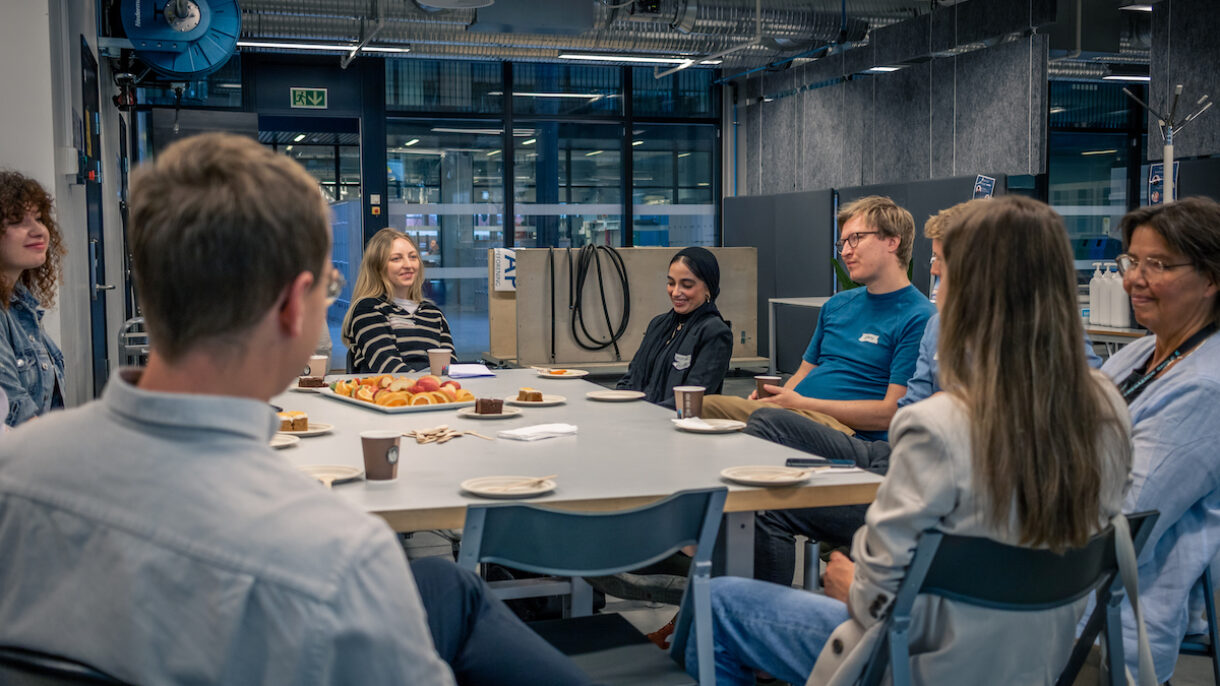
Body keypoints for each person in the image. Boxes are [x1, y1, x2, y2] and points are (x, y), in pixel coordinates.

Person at [0, 134, 591, 686]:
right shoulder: (341, 557)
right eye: (327, 287)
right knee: (451, 591)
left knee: (441, 583)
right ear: (292, 307)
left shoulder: (15, 470)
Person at [690, 196, 1133, 685]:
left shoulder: (939, 425)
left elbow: (875, 599)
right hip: (1037, 662)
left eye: (943, 269)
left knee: (718, 603)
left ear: (976, 284)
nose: (935, 280)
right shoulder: (1107, 408)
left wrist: (850, 582)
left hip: (921, 660)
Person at [747, 204, 1108, 584]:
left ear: (981, 266)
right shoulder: (938, 327)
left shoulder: (1060, 352)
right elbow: (908, 415)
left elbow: (1056, 430)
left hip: (936, 488)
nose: (933, 270)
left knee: (764, 503)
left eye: (941, 260)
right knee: (767, 423)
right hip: (897, 456)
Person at [701, 196, 935, 441]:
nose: (846, 252)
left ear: (892, 242)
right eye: (843, 243)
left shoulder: (919, 317)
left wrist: (801, 404)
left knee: (725, 415)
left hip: (848, 433)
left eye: (856, 238)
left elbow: (891, 413)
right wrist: (776, 399)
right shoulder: (837, 305)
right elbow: (802, 373)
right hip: (799, 415)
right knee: (705, 409)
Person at [1101, 197, 1220, 682]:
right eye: (1132, 261)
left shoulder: (1206, 387)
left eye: (1159, 265)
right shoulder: (1139, 355)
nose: (1134, 278)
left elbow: (1125, 525)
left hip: (1112, 609)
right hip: (1067, 569)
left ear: (1211, 278)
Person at [615, 246, 732, 408]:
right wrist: (619, 403)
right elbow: (631, 378)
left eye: (687, 285)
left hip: (676, 420)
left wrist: (645, 414)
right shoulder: (658, 325)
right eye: (671, 283)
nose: (675, 292)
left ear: (708, 289)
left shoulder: (714, 332)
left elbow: (692, 399)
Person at [0, 171, 66, 426]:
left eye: (39, 219)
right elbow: (15, 416)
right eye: (17, 221)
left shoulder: (19, 305)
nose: (39, 231)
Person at [342, 227, 455, 374]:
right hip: (392, 388)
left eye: (413, 257)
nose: (408, 265)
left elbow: (451, 368)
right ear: (377, 267)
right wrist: (429, 384)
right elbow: (388, 367)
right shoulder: (368, 309)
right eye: (396, 258)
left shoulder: (434, 313)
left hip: (434, 387)